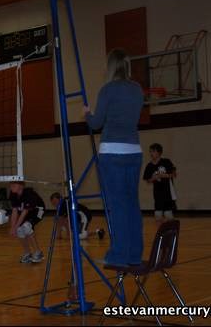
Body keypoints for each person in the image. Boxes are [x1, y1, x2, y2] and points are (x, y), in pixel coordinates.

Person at [83, 49, 144, 267]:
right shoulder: (137, 89)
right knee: (131, 205)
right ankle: (134, 255)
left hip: (112, 152)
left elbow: (96, 122)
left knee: (117, 206)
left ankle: (118, 256)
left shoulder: (107, 90)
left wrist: (87, 114)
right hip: (134, 151)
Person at [9, 181, 45, 264]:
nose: (11, 187)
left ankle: (38, 253)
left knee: (26, 226)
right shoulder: (13, 194)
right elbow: (15, 211)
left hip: (38, 210)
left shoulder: (29, 194)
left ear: (21, 186)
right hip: (27, 212)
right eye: (10, 185)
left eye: (14, 185)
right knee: (19, 230)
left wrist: (15, 227)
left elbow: (25, 212)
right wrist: (13, 227)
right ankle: (27, 253)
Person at [143, 143, 177, 225]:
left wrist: (163, 175)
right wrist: (153, 178)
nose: (151, 153)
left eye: (153, 151)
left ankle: (171, 231)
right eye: (150, 151)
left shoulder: (166, 162)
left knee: (168, 214)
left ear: (159, 152)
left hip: (168, 193)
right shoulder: (149, 166)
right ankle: (160, 232)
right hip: (157, 194)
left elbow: (173, 174)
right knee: (158, 215)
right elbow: (148, 180)